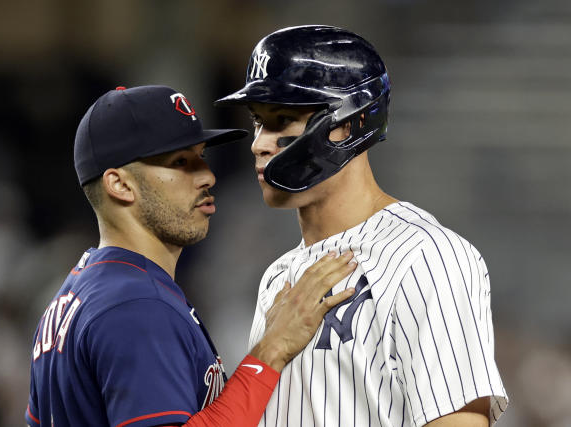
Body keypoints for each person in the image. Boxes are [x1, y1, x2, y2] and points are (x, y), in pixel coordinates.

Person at [215, 25, 509, 426]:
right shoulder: (277, 277)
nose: (259, 143)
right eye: (258, 122)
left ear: (347, 124)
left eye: (282, 120)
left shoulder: (427, 257)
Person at [25, 84, 359, 427]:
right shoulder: (137, 305)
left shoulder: (76, 294)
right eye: (181, 162)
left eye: (201, 156)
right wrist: (270, 352)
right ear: (120, 185)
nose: (207, 175)